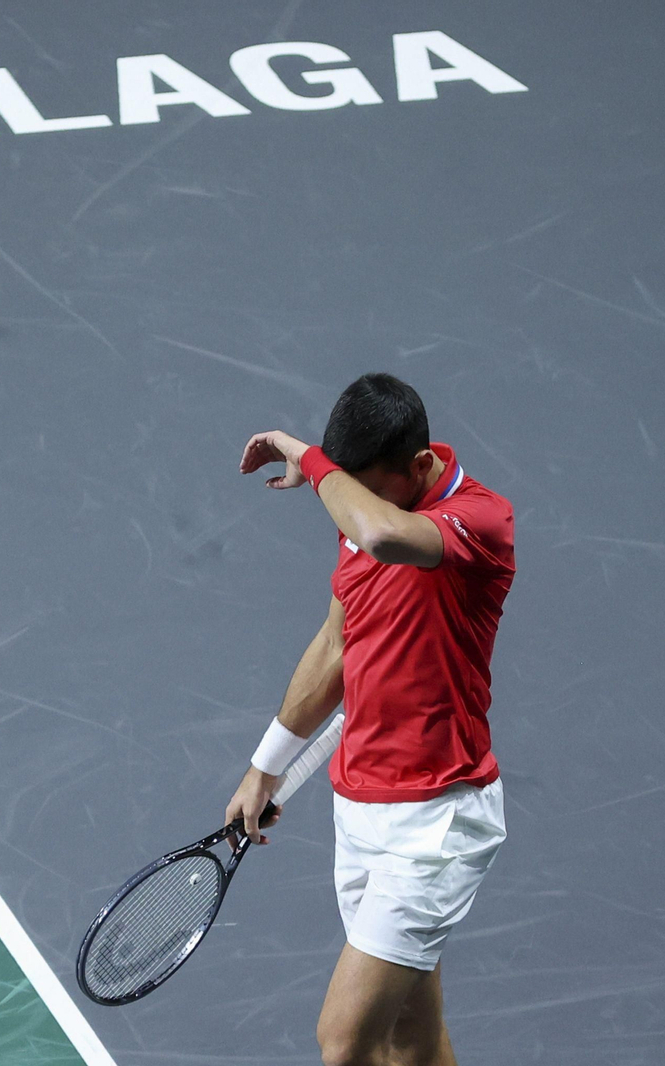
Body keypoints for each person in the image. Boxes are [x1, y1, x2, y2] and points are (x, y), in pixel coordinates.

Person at [225, 373, 516, 1066]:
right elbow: (335, 645)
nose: (347, 511)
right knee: (413, 1040)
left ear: (420, 466)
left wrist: (309, 457)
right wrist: (265, 768)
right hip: (358, 810)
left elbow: (382, 533)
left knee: (344, 1043)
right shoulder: (365, 507)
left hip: (436, 823)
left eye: (362, 492)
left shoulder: (480, 520)